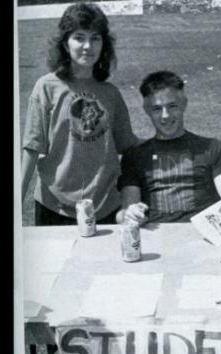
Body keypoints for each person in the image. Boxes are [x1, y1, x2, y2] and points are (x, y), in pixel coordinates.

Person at [21, 2, 139, 226]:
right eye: (79, 37)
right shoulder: (46, 87)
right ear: (65, 44)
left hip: (105, 207)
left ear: (104, 44)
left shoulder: (110, 93)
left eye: (95, 38)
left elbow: (129, 146)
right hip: (54, 207)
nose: (87, 46)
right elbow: (32, 147)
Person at [118, 71, 221, 225]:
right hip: (157, 235)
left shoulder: (212, 147)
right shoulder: (134, 155)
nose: (165, 115)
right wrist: (131, 214)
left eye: (172, 106)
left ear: (184, 104)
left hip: (206, 232)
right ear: (147, 110)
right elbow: (128, 208)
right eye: (157, 109)